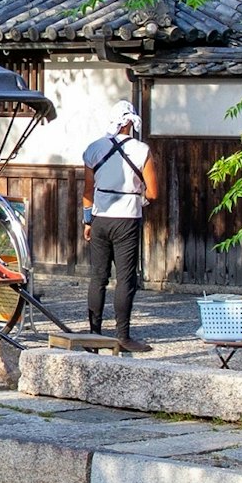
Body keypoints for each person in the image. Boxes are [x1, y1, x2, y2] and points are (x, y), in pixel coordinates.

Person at [79, 105, 155, 351]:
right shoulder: (141, 150)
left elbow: (88, 191)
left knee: (98, 277)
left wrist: (87, 221)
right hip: (127, 219)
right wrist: (141, 196)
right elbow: (153, 192)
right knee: (125, 279)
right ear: (130, 123)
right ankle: (123, 336)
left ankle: (94, 335)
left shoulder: (94, 148)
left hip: (100, 219)